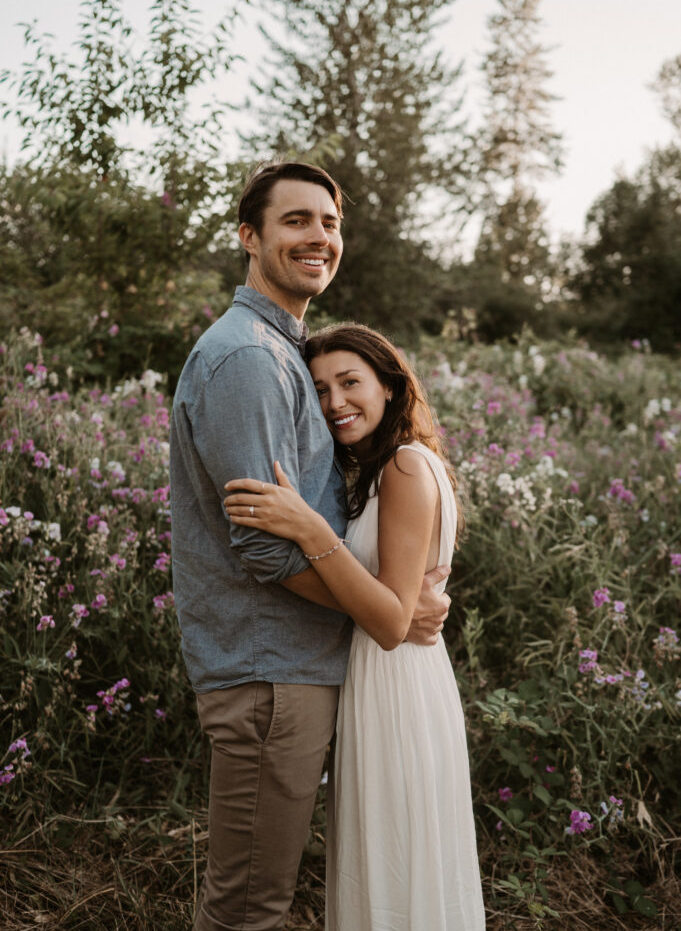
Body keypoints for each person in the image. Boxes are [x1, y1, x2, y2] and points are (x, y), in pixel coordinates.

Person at [169, 161, 451, 931]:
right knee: (249, 910)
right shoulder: (252, 361)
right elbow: (266, 550)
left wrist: (390, 598)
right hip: (269, 677)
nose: (317, 236)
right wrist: (385, 612)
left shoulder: (286, 353)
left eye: (328, 223)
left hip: (293, 672)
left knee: (260, 898)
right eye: (295, 221)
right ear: (248, 237)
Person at [225, 323, 486, 930]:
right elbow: (394, 596)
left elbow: (393, 622)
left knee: (397, 859)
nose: (334, 403)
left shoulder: (403, 466)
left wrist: (310, 531)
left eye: (350, 383)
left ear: (390, 387)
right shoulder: (383, 472)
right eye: (318, 390)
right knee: (388, 856)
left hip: (399, 687)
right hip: (383, 681)